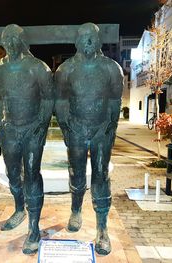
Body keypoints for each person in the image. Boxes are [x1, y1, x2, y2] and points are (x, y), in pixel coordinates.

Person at [55, 22, 124, 255]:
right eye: (83, 38)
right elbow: (61, 102)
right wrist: (65, 127)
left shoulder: (111, 68)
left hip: (101, 130)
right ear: (76, 42)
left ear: (98, 41)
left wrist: (111, 126)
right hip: (75, 129)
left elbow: (115, 101)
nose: (87, 42)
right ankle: (76, 210)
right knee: (76, 172)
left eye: (91, 38)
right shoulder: (65, 70)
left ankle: (102, 229)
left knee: (101, 176)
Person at [0, 24, 53, 254]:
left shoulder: (38, 67)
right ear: (3, 42)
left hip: (33, 128)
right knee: (13, 173)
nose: (12, 43)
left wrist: (41, 125)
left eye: (16, 39)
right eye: (8, 39)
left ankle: (33, 228)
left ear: (23, 41)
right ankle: (18, 208)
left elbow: (48, 100)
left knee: (32, 173)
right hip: (9, 130)